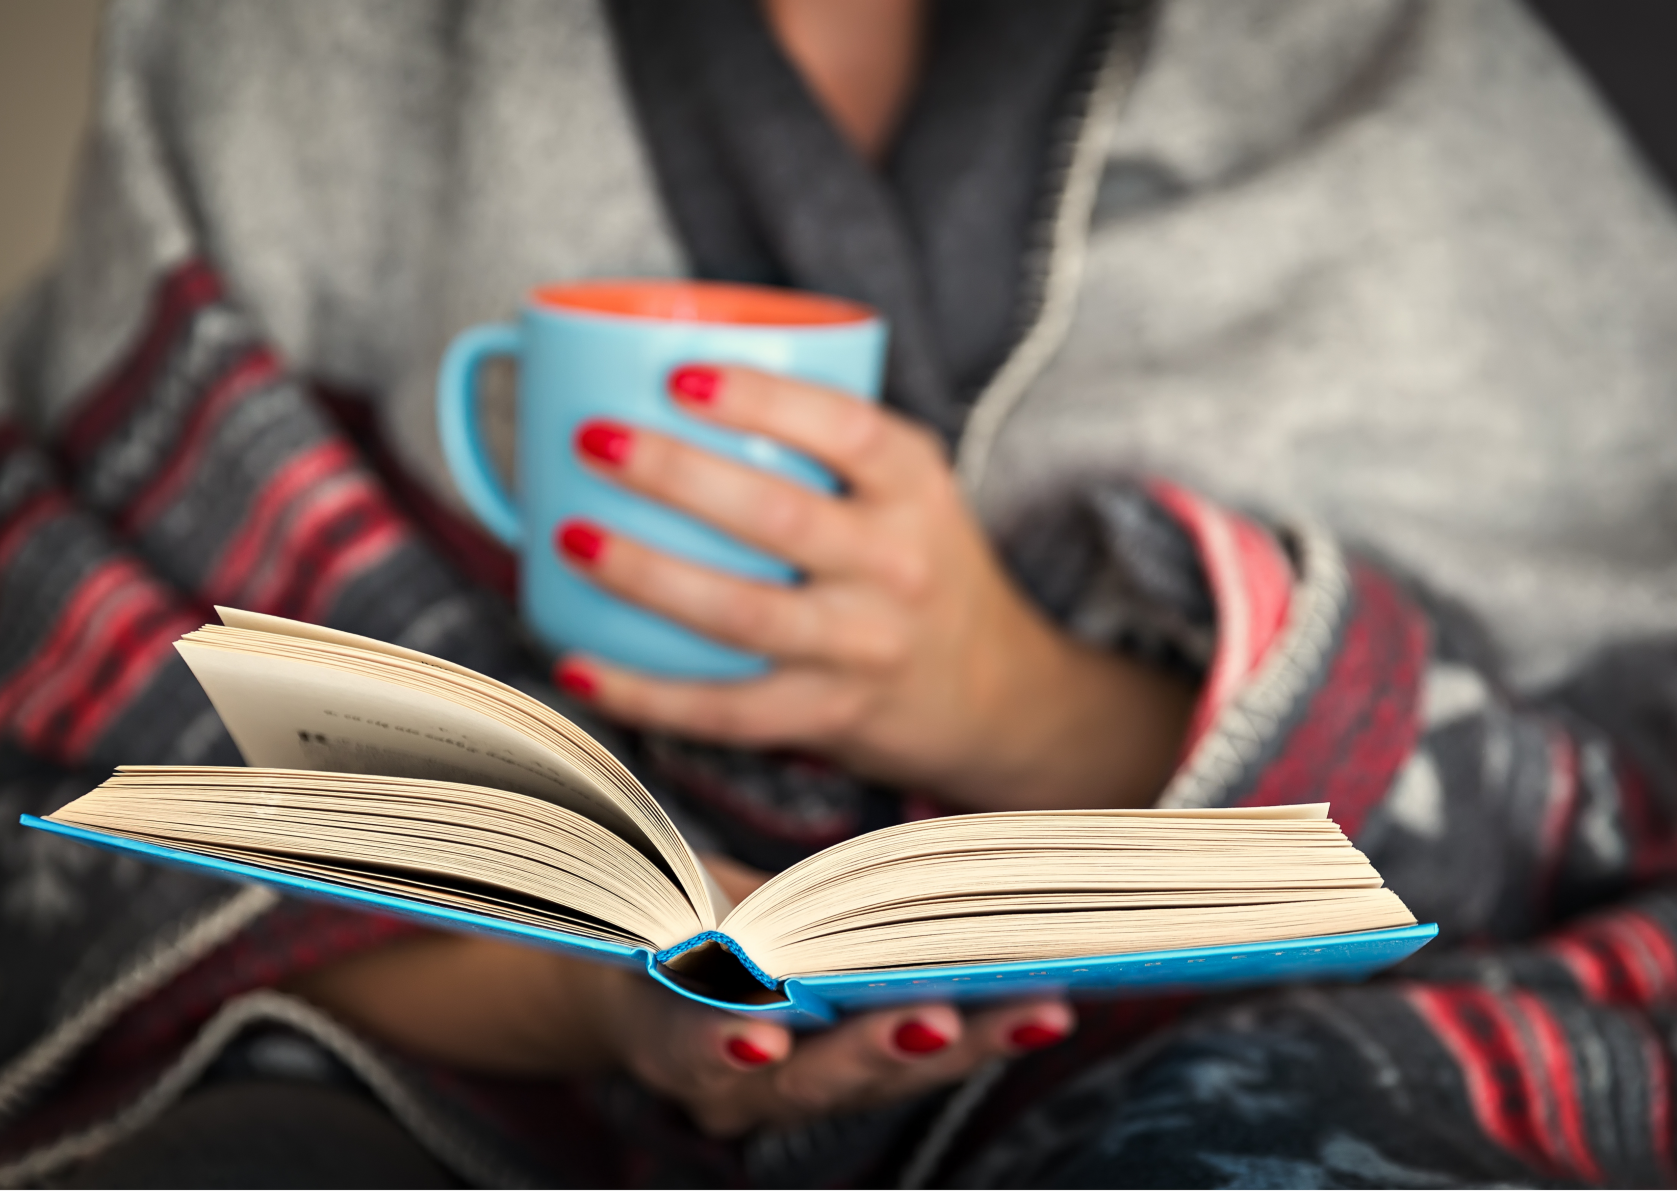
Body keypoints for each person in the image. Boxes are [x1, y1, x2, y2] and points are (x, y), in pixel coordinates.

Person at [3, 0, 1677, 1185]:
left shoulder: (1422, 72)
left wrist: (1006, 693)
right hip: (463, 1070)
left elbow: (1624, 770)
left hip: (1267, 1031)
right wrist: (597, 980)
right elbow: (93, 763)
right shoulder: (276, 50)